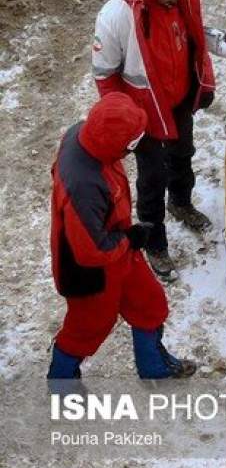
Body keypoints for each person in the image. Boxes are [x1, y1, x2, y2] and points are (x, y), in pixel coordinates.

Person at [48, 92, 197, 381]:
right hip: (90, 273)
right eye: (132, 144)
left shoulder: (86, 134)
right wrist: (129, 239)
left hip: (118, 251)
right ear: (116, 146)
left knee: (149, 302)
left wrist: (125, 239)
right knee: (87, 330)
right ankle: (61, 386)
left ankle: (153, 368)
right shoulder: (84, 187)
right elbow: (90, 251)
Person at [92, 0, 216, 279]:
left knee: (182, 154)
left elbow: (196, 44)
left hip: (178, 102)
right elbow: (105, 78)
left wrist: (205, 83)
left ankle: (180, 202)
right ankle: (154, 241)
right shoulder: (116, 17)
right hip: (143, 115)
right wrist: (125, 121)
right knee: (152, 179)